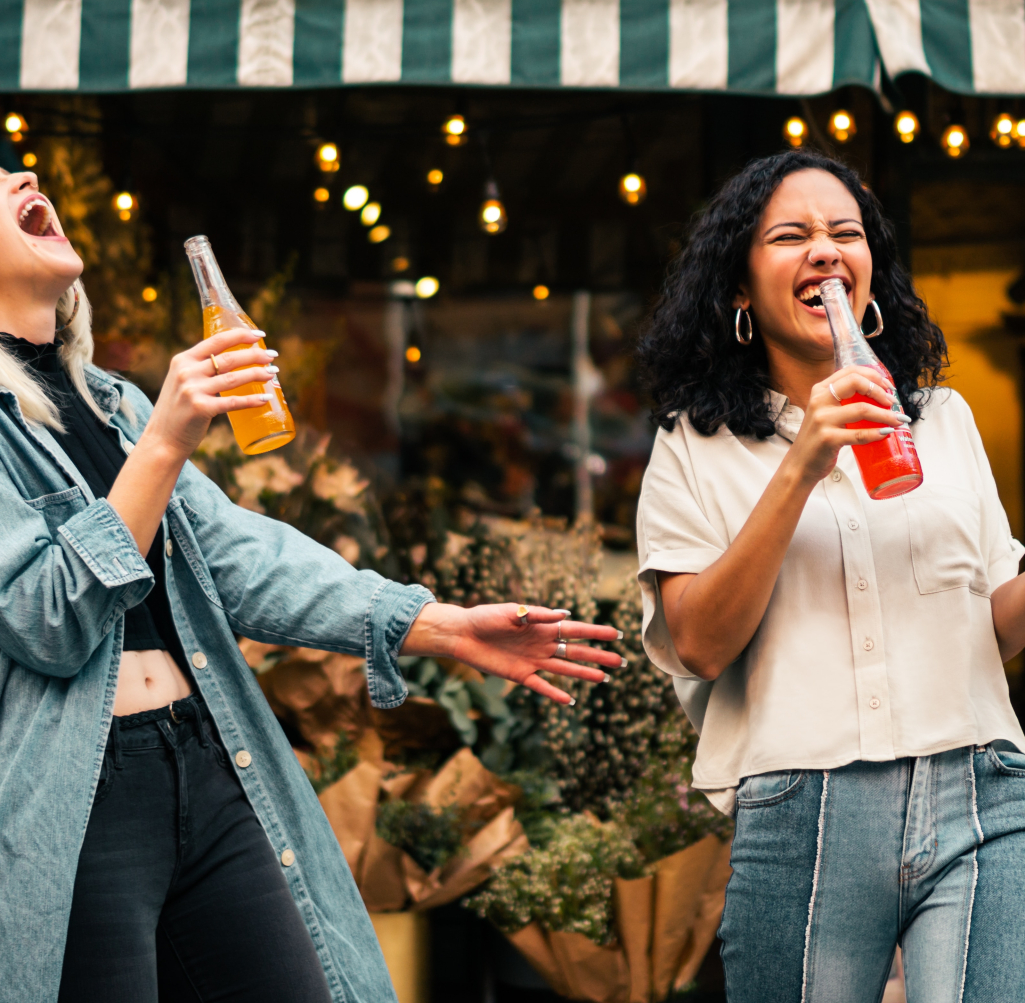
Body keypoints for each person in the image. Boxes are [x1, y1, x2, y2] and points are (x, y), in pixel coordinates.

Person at [0, 167, 624, 1003]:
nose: (24, 175)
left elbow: (239, 556)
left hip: (208, 750)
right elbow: (46, 618)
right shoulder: (132, 428)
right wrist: (166, 442)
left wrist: (435, 624)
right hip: (73, 799)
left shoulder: (112, 403)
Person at [636, 150, 1025, 1002]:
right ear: (739, 290)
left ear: (869, 274)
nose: (824, 250)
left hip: (980, 791)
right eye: (790, 235)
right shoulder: (692, 446)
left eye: (844, 233)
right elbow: (697, 643)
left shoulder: (942, 420)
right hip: (803, 811)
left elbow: (1000, 624)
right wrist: (803, 461)